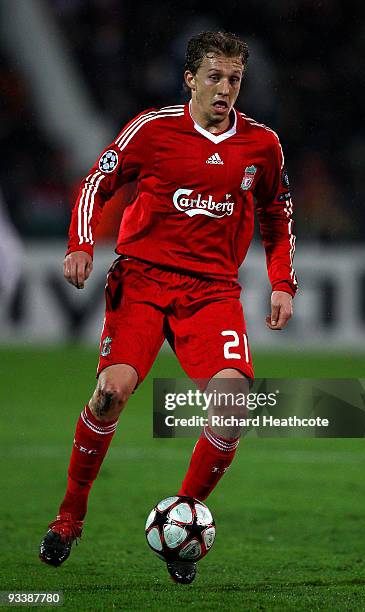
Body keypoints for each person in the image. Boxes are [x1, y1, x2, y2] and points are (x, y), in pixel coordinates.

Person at [39, 31, 297, 584]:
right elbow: (97, 181)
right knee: (110, 395)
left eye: (234, 79)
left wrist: (282, 282)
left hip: (212, 292)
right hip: (142, 281)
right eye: (214, 77)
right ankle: (69, 517)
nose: (225, 89)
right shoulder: (152, 130)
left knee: (232, 407)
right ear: (190, 79)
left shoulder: (262, 146)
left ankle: (183, 522)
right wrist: (82, 243)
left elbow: (278, 214)